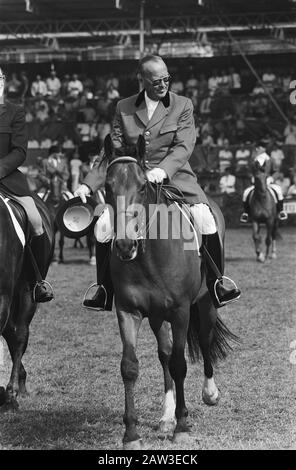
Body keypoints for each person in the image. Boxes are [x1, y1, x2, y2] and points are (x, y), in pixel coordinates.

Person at [74, 55, 241, 310]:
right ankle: (104, 289)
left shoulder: (182, 104)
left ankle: (218, 282)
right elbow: (113, 151)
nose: (163, 85)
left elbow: (185, 145)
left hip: (175, 178)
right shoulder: (124, 107)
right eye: (156, 81)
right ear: (142, 80)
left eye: (166, 79)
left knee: (205, 218)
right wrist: (89, 184)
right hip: (132, 181)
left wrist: (163, 170)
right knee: (104, 226)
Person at [0, 67, 53, 302]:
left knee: (34, 218)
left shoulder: (15, 112)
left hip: (8, 179)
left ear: (2, 82)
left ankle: (37, 281)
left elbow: (20, 151)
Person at [240, 145, 288, 223]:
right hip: (256, 182)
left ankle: (281, 211)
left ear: (264, 149)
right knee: (246, 193)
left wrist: (271, 178)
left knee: (278, 190)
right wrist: (252, 177)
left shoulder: (270, 159)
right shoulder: (253, 160)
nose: (257, 149)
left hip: (268, 182)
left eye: (260, 148)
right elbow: (249, 171)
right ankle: (246, 213)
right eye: (257, 148)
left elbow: (276, 171)